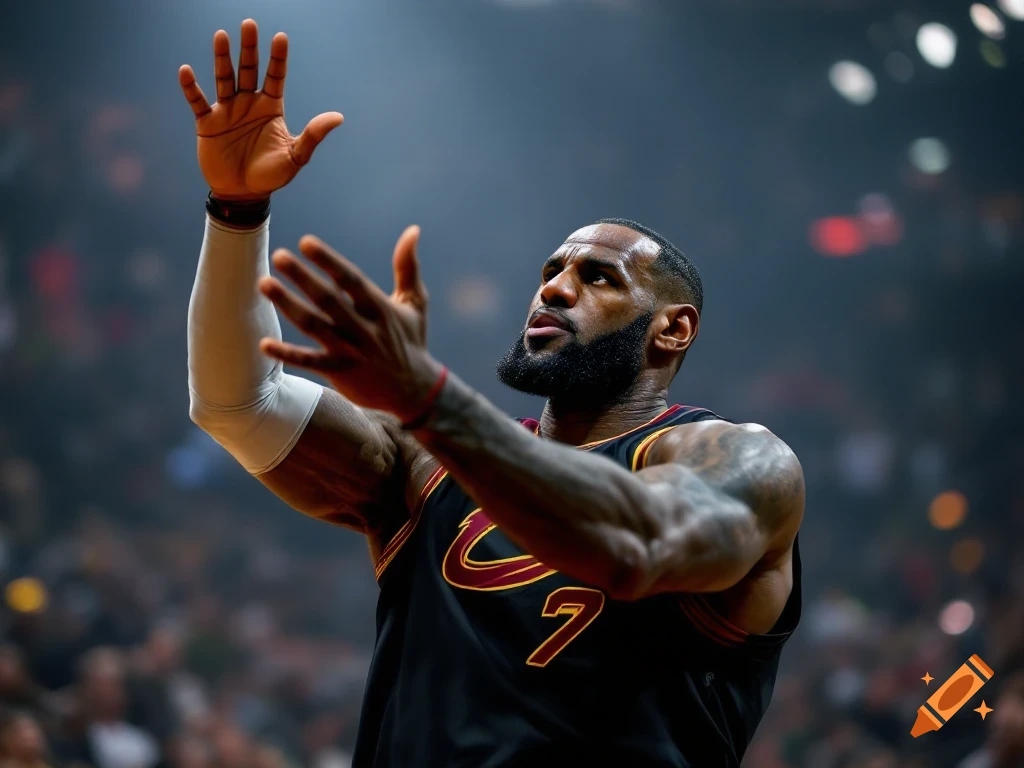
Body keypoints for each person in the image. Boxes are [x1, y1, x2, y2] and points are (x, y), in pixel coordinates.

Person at [181, 19, 805, 768]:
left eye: (597, 277)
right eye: (550, 272)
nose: (556, 289)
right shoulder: (427, 462)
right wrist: (235, 211)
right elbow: (238, 402)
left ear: (672, 329)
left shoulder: (744, 461)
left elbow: (636, 547)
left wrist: (429, 400)